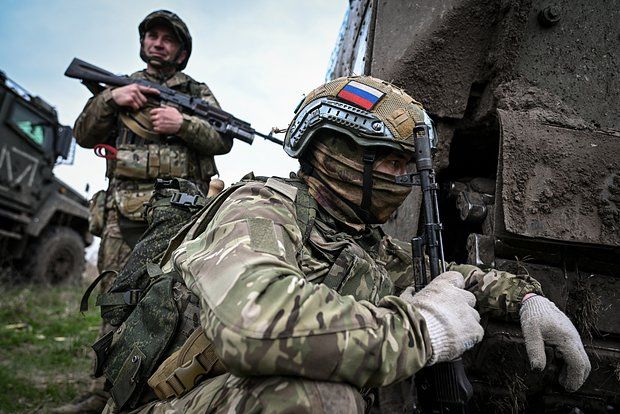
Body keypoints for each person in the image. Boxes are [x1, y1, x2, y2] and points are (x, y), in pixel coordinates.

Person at [102, 76, 590, 413]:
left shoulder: (360, 242)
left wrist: (525, 298)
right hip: (170, 403)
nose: (402, 179)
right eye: (392, 162)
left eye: (408, 166)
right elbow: (254, 322)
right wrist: (422, 330)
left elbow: (453, 279)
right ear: (338, 153)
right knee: (320, 401)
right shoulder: (260, 209)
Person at [52, 10, 232, 414]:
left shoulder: (196, 92)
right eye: (152, 36)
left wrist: (182, 123)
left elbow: (224, 138)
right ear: (143, 42)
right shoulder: (121, 87)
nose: (158, 43)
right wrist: (109, 99)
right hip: (123, 213)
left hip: (179, 215)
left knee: (174, 297)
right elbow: (83, 134)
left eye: (168, 39)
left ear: (181, 51)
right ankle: (104, 392)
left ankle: (157, 388)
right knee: (116, 297)